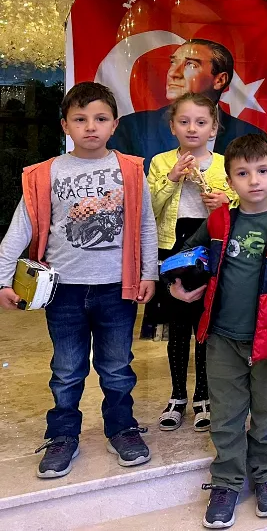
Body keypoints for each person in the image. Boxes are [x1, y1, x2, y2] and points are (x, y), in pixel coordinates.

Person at [0, 82, 157, 478]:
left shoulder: (131, 170)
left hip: (116, 289)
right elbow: (19, 229)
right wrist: (3, 280)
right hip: (63, 291)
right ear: (65, 125)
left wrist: (149, 273)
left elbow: (146, 225)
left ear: (114, 124)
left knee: (117, 366)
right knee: (67, 369)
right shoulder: (45, 174)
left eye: (100, 119)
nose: (91, 126)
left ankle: (121, 428)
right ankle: (62, 435)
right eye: (80, 119)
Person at [168, 134, 267, 528]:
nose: (254, 180)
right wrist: (178, 284)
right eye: (243, 173)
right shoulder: (219, 220)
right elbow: (188, 255)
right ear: (230, 181)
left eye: (263, 171)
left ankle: (266, 475)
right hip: (223, 339)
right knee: (226, 415)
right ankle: (227, 481)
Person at [147, 92, 236, 432]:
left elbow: (241, 207)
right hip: (173, 248)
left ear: (213, 128)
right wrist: (171, 178)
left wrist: (224, 202)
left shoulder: (224, 164)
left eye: (201, 122)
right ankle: (176, 395)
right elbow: (149, 209)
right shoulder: (160, 162)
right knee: (178, 325)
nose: (192, 128)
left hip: (209, 249)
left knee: (204, 325)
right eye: (184, 122)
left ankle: (202, 395)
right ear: (172, 126)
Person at [108, 38, 265, 170]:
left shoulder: (251, 137)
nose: (173, 73)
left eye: (191, 65)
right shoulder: (131, 127)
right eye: (173, 62)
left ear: (219, 80)